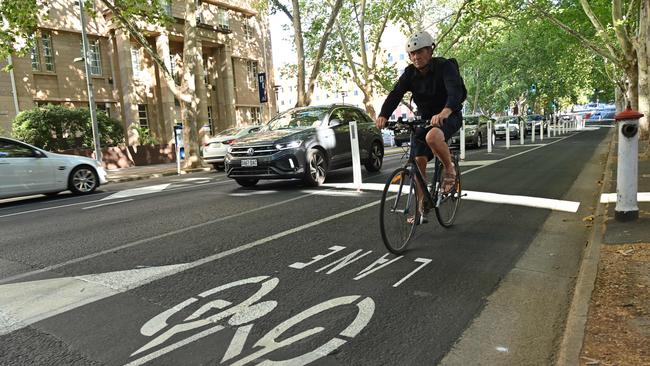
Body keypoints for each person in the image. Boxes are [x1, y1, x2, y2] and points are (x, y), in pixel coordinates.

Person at [375, 30, 464, 223]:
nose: (416, 57)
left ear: (430, 51)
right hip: (424, 119)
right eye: (412, 54)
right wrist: (383, 115)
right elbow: (395, 94)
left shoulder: (445, 66)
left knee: (432, 137)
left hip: (449, 114)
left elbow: (455, 92)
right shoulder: (410, 73)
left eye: (420, 51)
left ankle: (449, 170)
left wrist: (445, 111)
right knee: (418, 161)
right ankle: (421, 206)